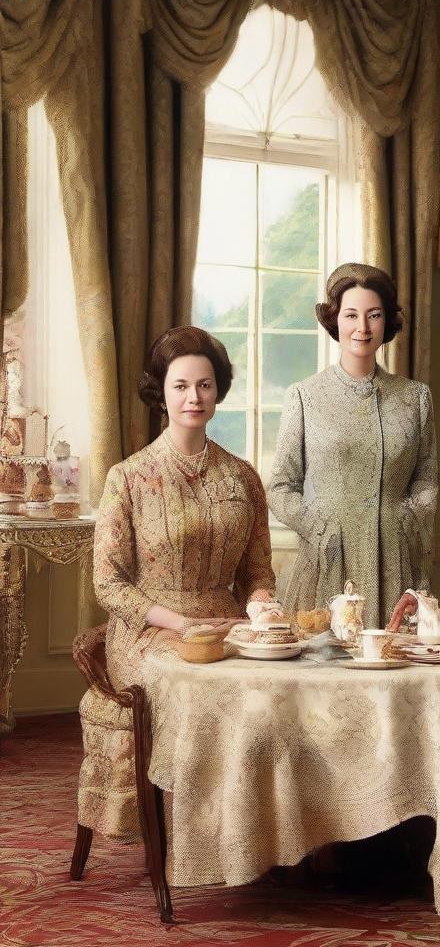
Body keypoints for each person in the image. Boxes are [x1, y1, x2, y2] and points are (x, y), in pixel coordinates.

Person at [85, 325, 275, 837]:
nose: (195, 397)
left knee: (277, 679)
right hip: (150, 630)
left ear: (218, 390)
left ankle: (252, 829)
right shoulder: (127, 477)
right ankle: (193, 830)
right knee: (197, 680)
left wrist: (260, 608)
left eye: (206, 385)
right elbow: (108, 582)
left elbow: (257, 572)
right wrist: (178, 621)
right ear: (161, 393)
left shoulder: (242, 477)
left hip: (227, 624)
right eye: (181, 385)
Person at [267, 263, 437, 627]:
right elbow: (281, 487)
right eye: (351, 315)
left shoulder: (415, 397)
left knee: (396, 670)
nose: (362, 327)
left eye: (373, 315)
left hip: (395, 560)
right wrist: (318, 526)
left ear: (386, 322)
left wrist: (406, 518)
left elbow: (426, 479)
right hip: (328, 556)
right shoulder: (305, 396)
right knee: (326, 670)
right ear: (335, 320)